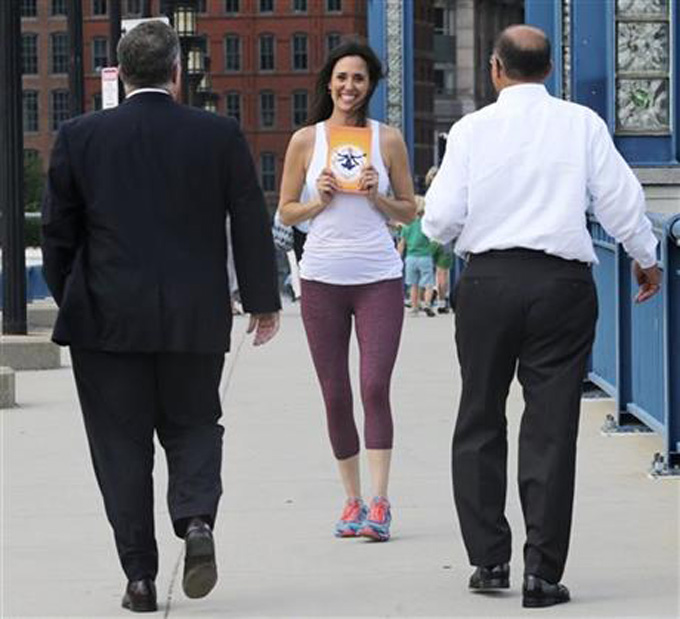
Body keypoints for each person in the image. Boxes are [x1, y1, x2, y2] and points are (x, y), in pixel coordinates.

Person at [41, 21, 280, 613]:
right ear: (178, 72)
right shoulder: (219, 135)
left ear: (120, 73)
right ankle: (196, 520)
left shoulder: (79, 136)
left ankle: (140, 578)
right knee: (195, 424)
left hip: (104, 320)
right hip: (193, 318)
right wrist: (262, 301)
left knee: (120, 448)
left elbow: (57, 233)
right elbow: (249, 219)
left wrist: (70, 291)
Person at [423, 25, 661, 609]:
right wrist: (646, 259)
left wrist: (458, 238)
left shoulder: (471, 131)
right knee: (550, 426)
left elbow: (441, 219)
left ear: (496, 69)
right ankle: (542, 573)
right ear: (550, 70)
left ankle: (488, 560)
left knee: (479, 415)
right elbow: (621, 202)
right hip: (561, 286)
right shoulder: (581, 125)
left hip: (489, 281)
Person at [278, 39, 416, 542]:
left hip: (378, 275)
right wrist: (319, 201)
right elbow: (286, 210)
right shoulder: (306, 140)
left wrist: (379, 196)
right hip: (321, 279)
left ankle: (380, 502)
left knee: (374, 386)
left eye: (358, 78)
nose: (349, 86)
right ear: (328, 83)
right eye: (341, 78)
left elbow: (409, 210)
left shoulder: (389, 139)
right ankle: (352, 499)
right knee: (335, 394)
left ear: (370, 85)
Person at [398, 196, 436, 317]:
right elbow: (432, 240)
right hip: (425, 256)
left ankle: (414, 307)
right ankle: (427, 304)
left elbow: (402, 243)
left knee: (413, 284)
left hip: (411, 257)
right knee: (428, 283)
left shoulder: (406, 224)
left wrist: (398, 256)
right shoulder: (426, 224)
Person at [425, 167, 454, 314]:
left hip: (429, 239)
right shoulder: (446, 195)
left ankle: (428, 296)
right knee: (443, 273)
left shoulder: (427, 197)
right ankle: (442, 302)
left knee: (429, 271)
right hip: (444, 239)